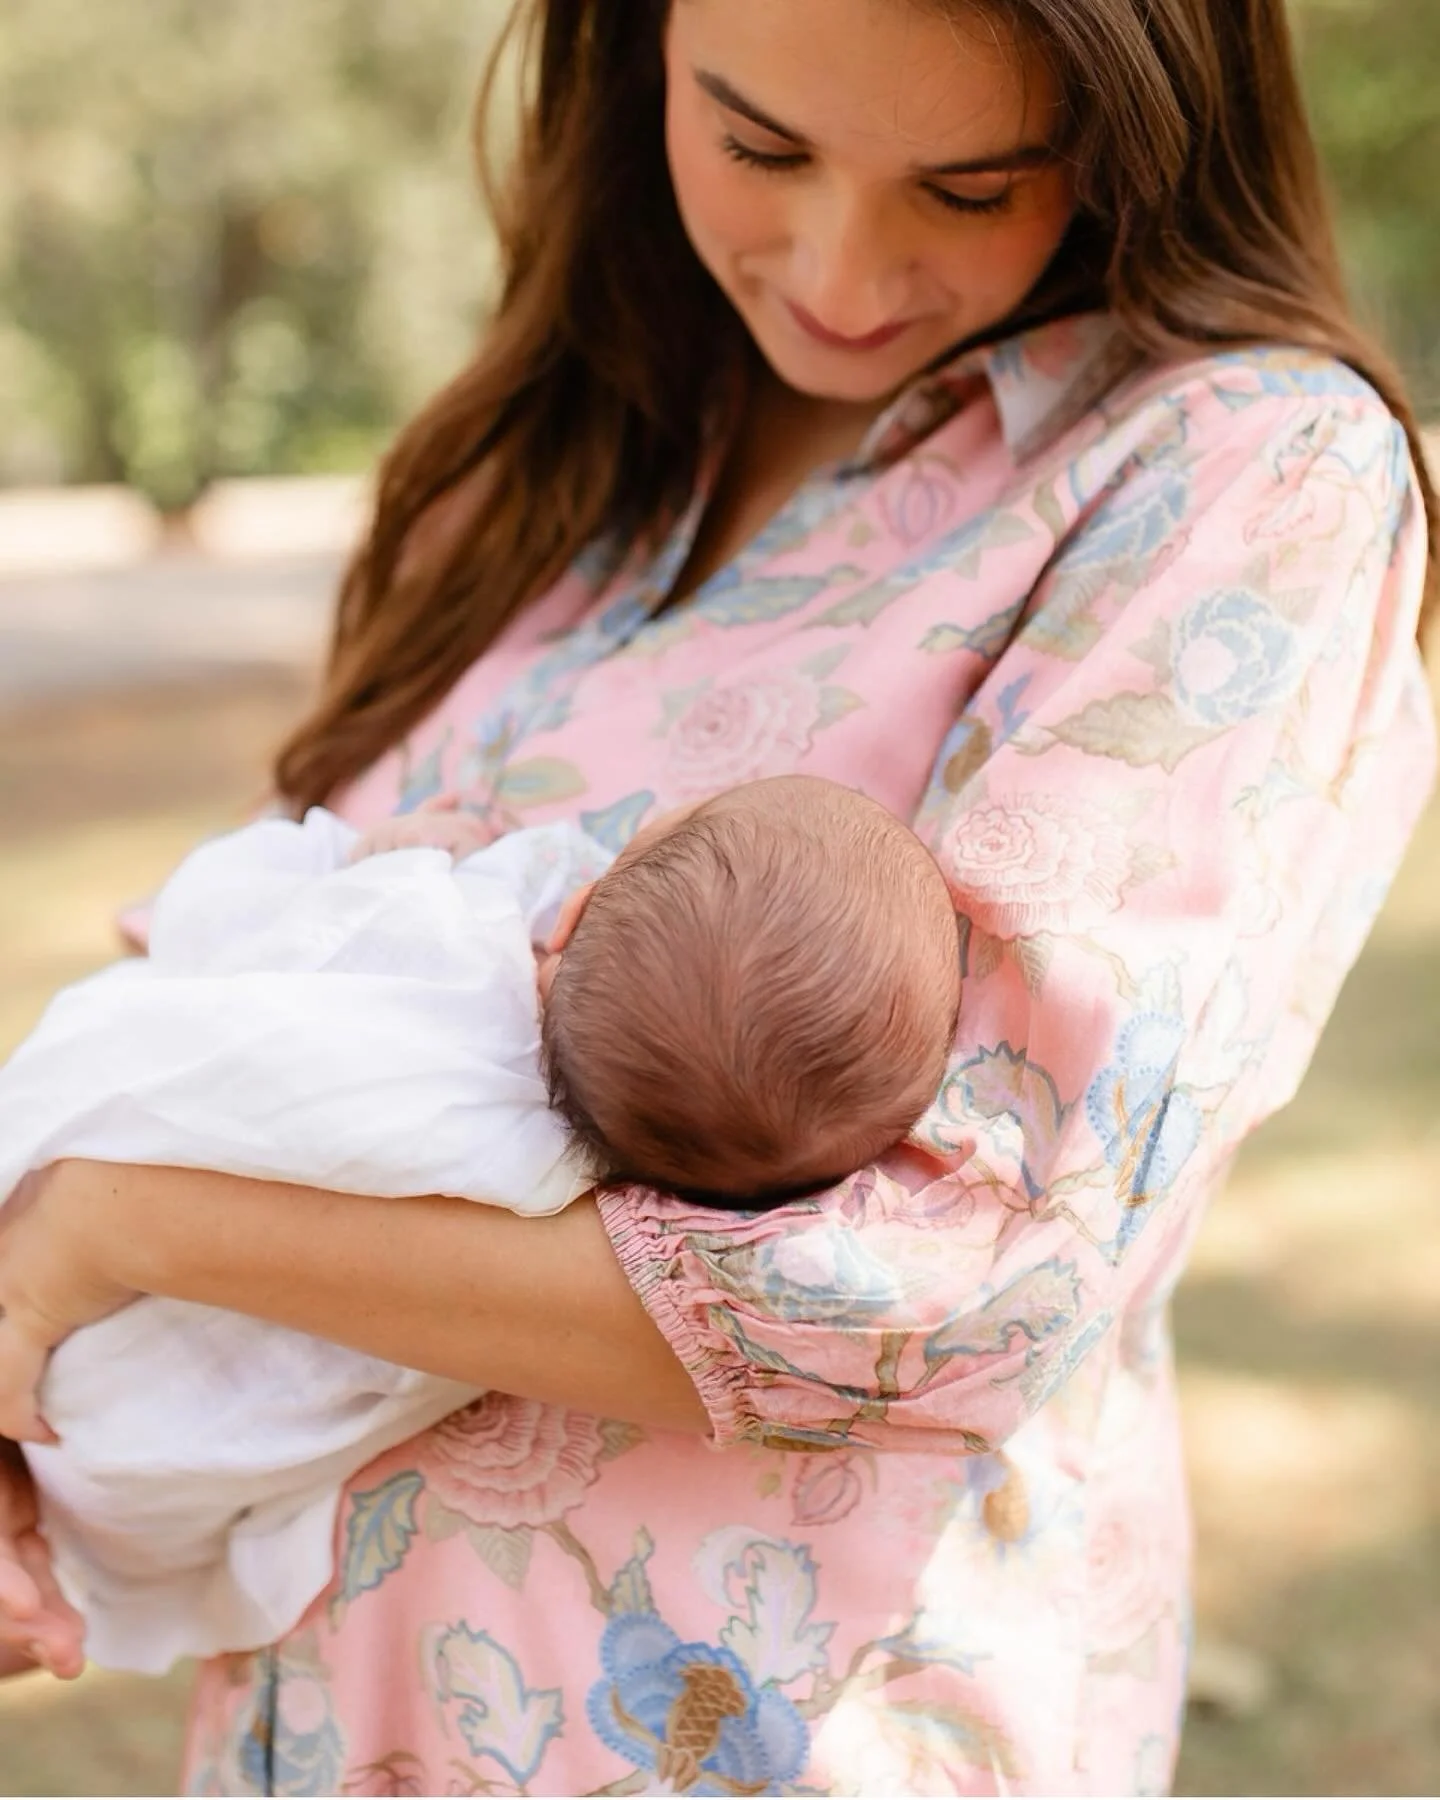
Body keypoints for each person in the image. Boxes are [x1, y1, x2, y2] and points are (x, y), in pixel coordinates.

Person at [0, 0, 1434, 1790]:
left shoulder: (1235, 475)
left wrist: (121, 1228)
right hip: (329, 1728)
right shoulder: (543, 477)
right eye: (759, 147)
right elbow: (251, 996)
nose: (842, 269)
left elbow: (954, 1286)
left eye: (973, 185)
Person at [0, 774, 959, 1675]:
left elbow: (217, 916)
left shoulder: (440, 937)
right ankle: (51, 1566)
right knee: (148, 1507)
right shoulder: (573, 1201)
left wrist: (377, 857)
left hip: (80, 1273)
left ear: (573, 911)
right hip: (170, 1458)